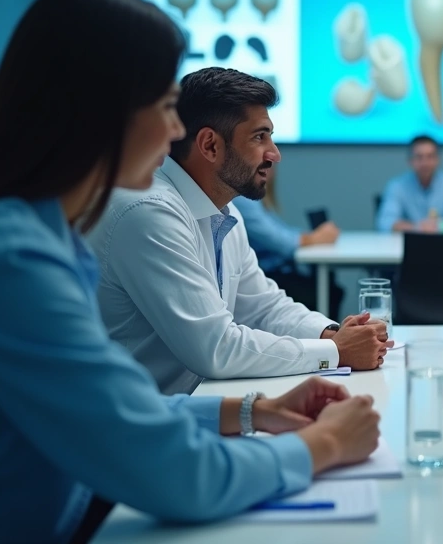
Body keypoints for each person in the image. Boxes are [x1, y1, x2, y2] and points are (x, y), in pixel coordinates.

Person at [0, 0, 381, 544]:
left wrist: (257, 410)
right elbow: (175, 470)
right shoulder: (11, 263)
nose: (175, 130)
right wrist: (324, 444)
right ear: (99, 112)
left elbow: (116, 412)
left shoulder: (42, 236)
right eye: (165, 106)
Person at [88, 67, 389, 396]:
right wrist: (336, 352)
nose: (275, 154)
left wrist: (330, 335)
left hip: (193, 406)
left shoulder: (224, 211)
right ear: (210, 145)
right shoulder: (149, 211)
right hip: (136, 419)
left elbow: (263, 307)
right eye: (259, 137)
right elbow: (216, 348)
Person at [232, 173, 345, 314]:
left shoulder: (255, 198)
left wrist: (312, 236)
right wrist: (313, 238)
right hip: (266, 275)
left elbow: (281, 230)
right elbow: (280, 241)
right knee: (329, 292)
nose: (270, 167)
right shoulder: (242, 198)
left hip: (275, 273)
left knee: (331, 289)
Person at [376, 135, 443, 232]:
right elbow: (385, 222)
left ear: (438, 159)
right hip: (410, 243)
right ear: (410, 160)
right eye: (419, 157)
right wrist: (417, 228)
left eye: (430, 156)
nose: (425, 163)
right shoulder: (397, 186)